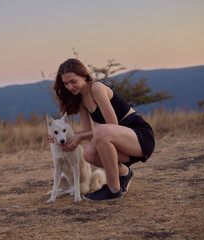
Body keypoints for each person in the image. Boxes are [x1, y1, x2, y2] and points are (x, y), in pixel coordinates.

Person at [52, 58, 155, 201]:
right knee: (88, 153)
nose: (70, 87)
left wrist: (80, 137)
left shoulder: (97, 88)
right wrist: (61, 137)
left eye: (73, 81)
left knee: (101, 130)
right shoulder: (80, 99)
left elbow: (112, 125)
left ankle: (113, 189)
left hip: (139, 136)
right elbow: (88, 132)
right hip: (120, 141)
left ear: (84, 75)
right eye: (65, 83)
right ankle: (124, 173)